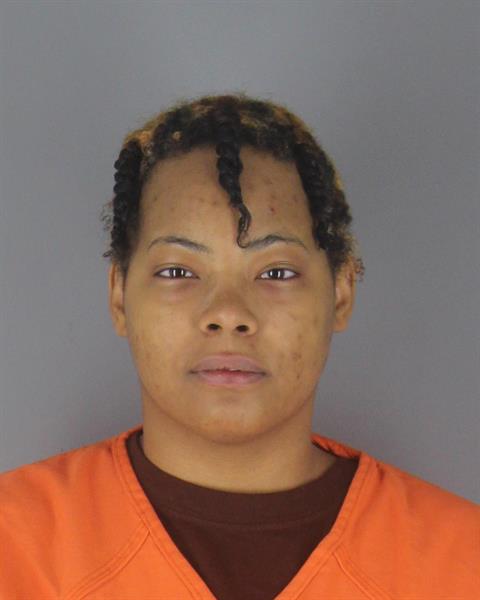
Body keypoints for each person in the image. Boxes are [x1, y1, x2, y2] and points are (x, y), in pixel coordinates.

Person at [0, 93, 478, 599]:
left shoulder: (462, 561)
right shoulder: (13, 545)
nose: (228, 313)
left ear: (341, 292)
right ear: (119, 295)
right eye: (177, 271)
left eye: (276, 272)